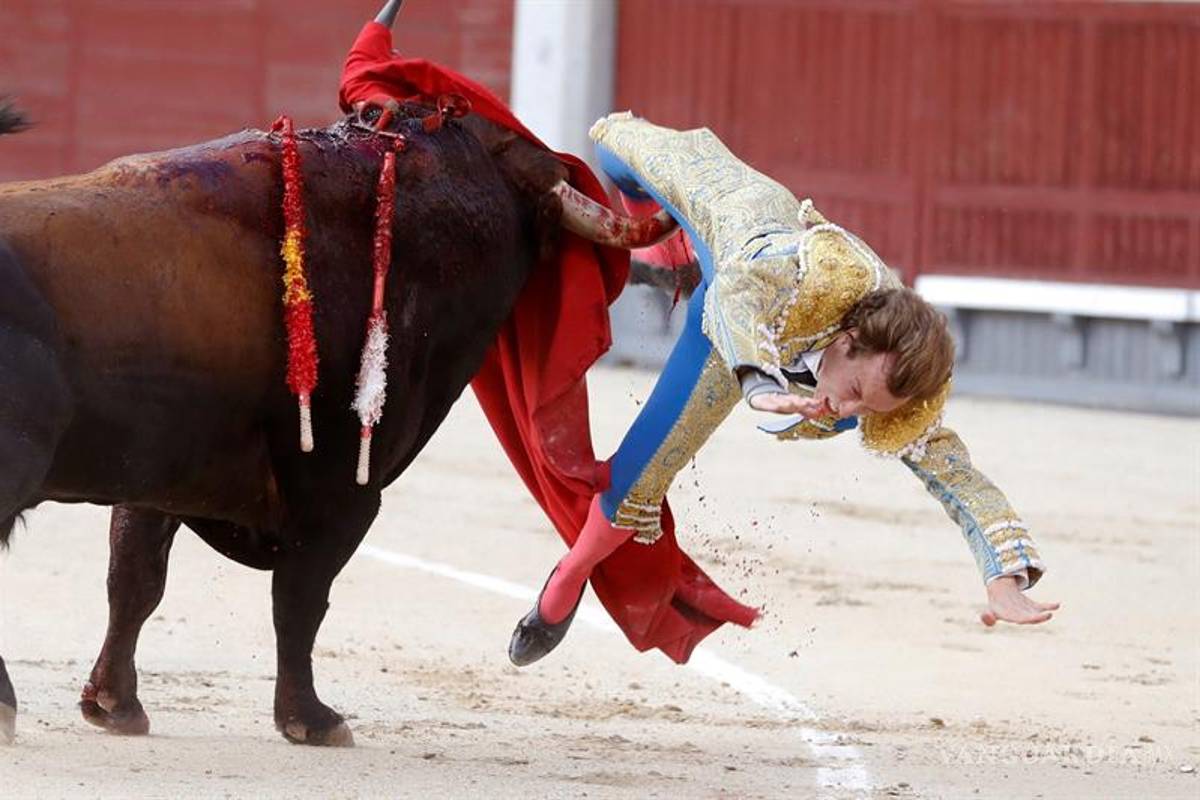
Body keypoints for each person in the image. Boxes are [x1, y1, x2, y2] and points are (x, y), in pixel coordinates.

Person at [507, 112, 1060, 665]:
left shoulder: (894, 375)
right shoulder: (794, 276)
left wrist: (1002, 573)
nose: (846, 410)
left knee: (643, 481)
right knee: (613, 146)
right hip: (738, 295)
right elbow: (737, 290)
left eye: (869, 410)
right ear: (846, 340)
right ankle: (570, 575)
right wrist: (755, 380)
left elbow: (955, 474)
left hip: (769, 333)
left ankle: (672, 257)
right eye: (856, 389)